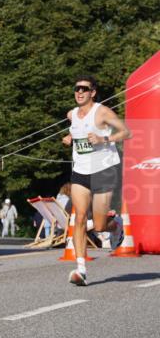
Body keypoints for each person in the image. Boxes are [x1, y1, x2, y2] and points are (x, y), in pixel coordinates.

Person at [61, 74, 131, 285]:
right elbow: (78, 131)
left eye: (84, 89)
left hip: (103, 171)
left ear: (93, 92)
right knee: (80, 218)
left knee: (100, 225)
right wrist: (71, 138)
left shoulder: (102, 112)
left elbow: (126, 132)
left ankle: (115, 224)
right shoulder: (71, 114)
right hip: (80, 172)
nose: (79, 92)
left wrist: (104, 139)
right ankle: (81, 269)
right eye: (77, 88)